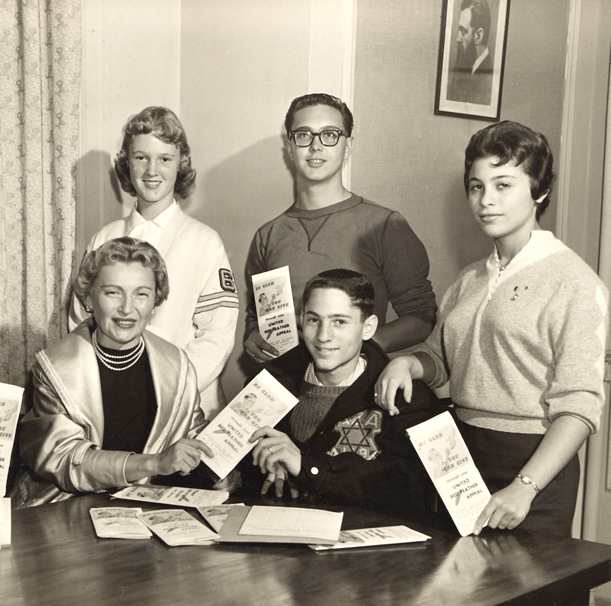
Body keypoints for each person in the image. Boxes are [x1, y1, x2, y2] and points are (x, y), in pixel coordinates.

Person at [376, 121, 609, 537]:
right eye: (476, 186)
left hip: (532, 466)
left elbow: (579, 406)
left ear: (539, 191)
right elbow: (442, 359)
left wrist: (524, 488)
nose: (486, 200)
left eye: (504, 185)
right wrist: (410, 363)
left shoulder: (574, 282)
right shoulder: (469, 279)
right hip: (462, 457)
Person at [16, 237, 215, 507]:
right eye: (113, 292)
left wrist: (238, 458)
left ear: (155, 301)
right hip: (65, 507)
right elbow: (66, 461)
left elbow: (193, 436)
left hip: (148, 508)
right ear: (88, 298)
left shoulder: (178, 365)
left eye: (141, 294)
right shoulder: (54, 368)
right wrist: (154, 463)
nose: (127, 308)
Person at [244, 93, 436, 371]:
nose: (315, 146)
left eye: (330, 135)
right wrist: (253, 335)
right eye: (303, 135)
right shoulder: (268, 235)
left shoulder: (384, 225)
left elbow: (421, 316)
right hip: (284, 384)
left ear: (347, 147)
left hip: (351, 385)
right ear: (290, 148)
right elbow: (258, 316)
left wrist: (359, 349)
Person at [69, 107, 238, 420]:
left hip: (185, 403)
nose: (151, 170)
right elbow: (81, 323)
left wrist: (167, 388)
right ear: (127, 162)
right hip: (113, 399)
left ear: (181, 163)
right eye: (141, 157)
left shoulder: (204, 241)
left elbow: (217, 335)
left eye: (165, 159)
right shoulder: (104, 238)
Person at [246, 270, 441, 521]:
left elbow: (409, 489)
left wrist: (307, 467)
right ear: (302, 320)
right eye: (314, 320)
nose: (323, 336)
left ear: (367, 327)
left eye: (340, 322)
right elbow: (235, 459)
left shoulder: (404, 396)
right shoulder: (270, 383)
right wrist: (263, 466)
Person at [446, 0, 494, 106]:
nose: (458, 39)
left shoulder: (489, 82)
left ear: (478, 36)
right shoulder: (466, 67)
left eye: (463, 31)